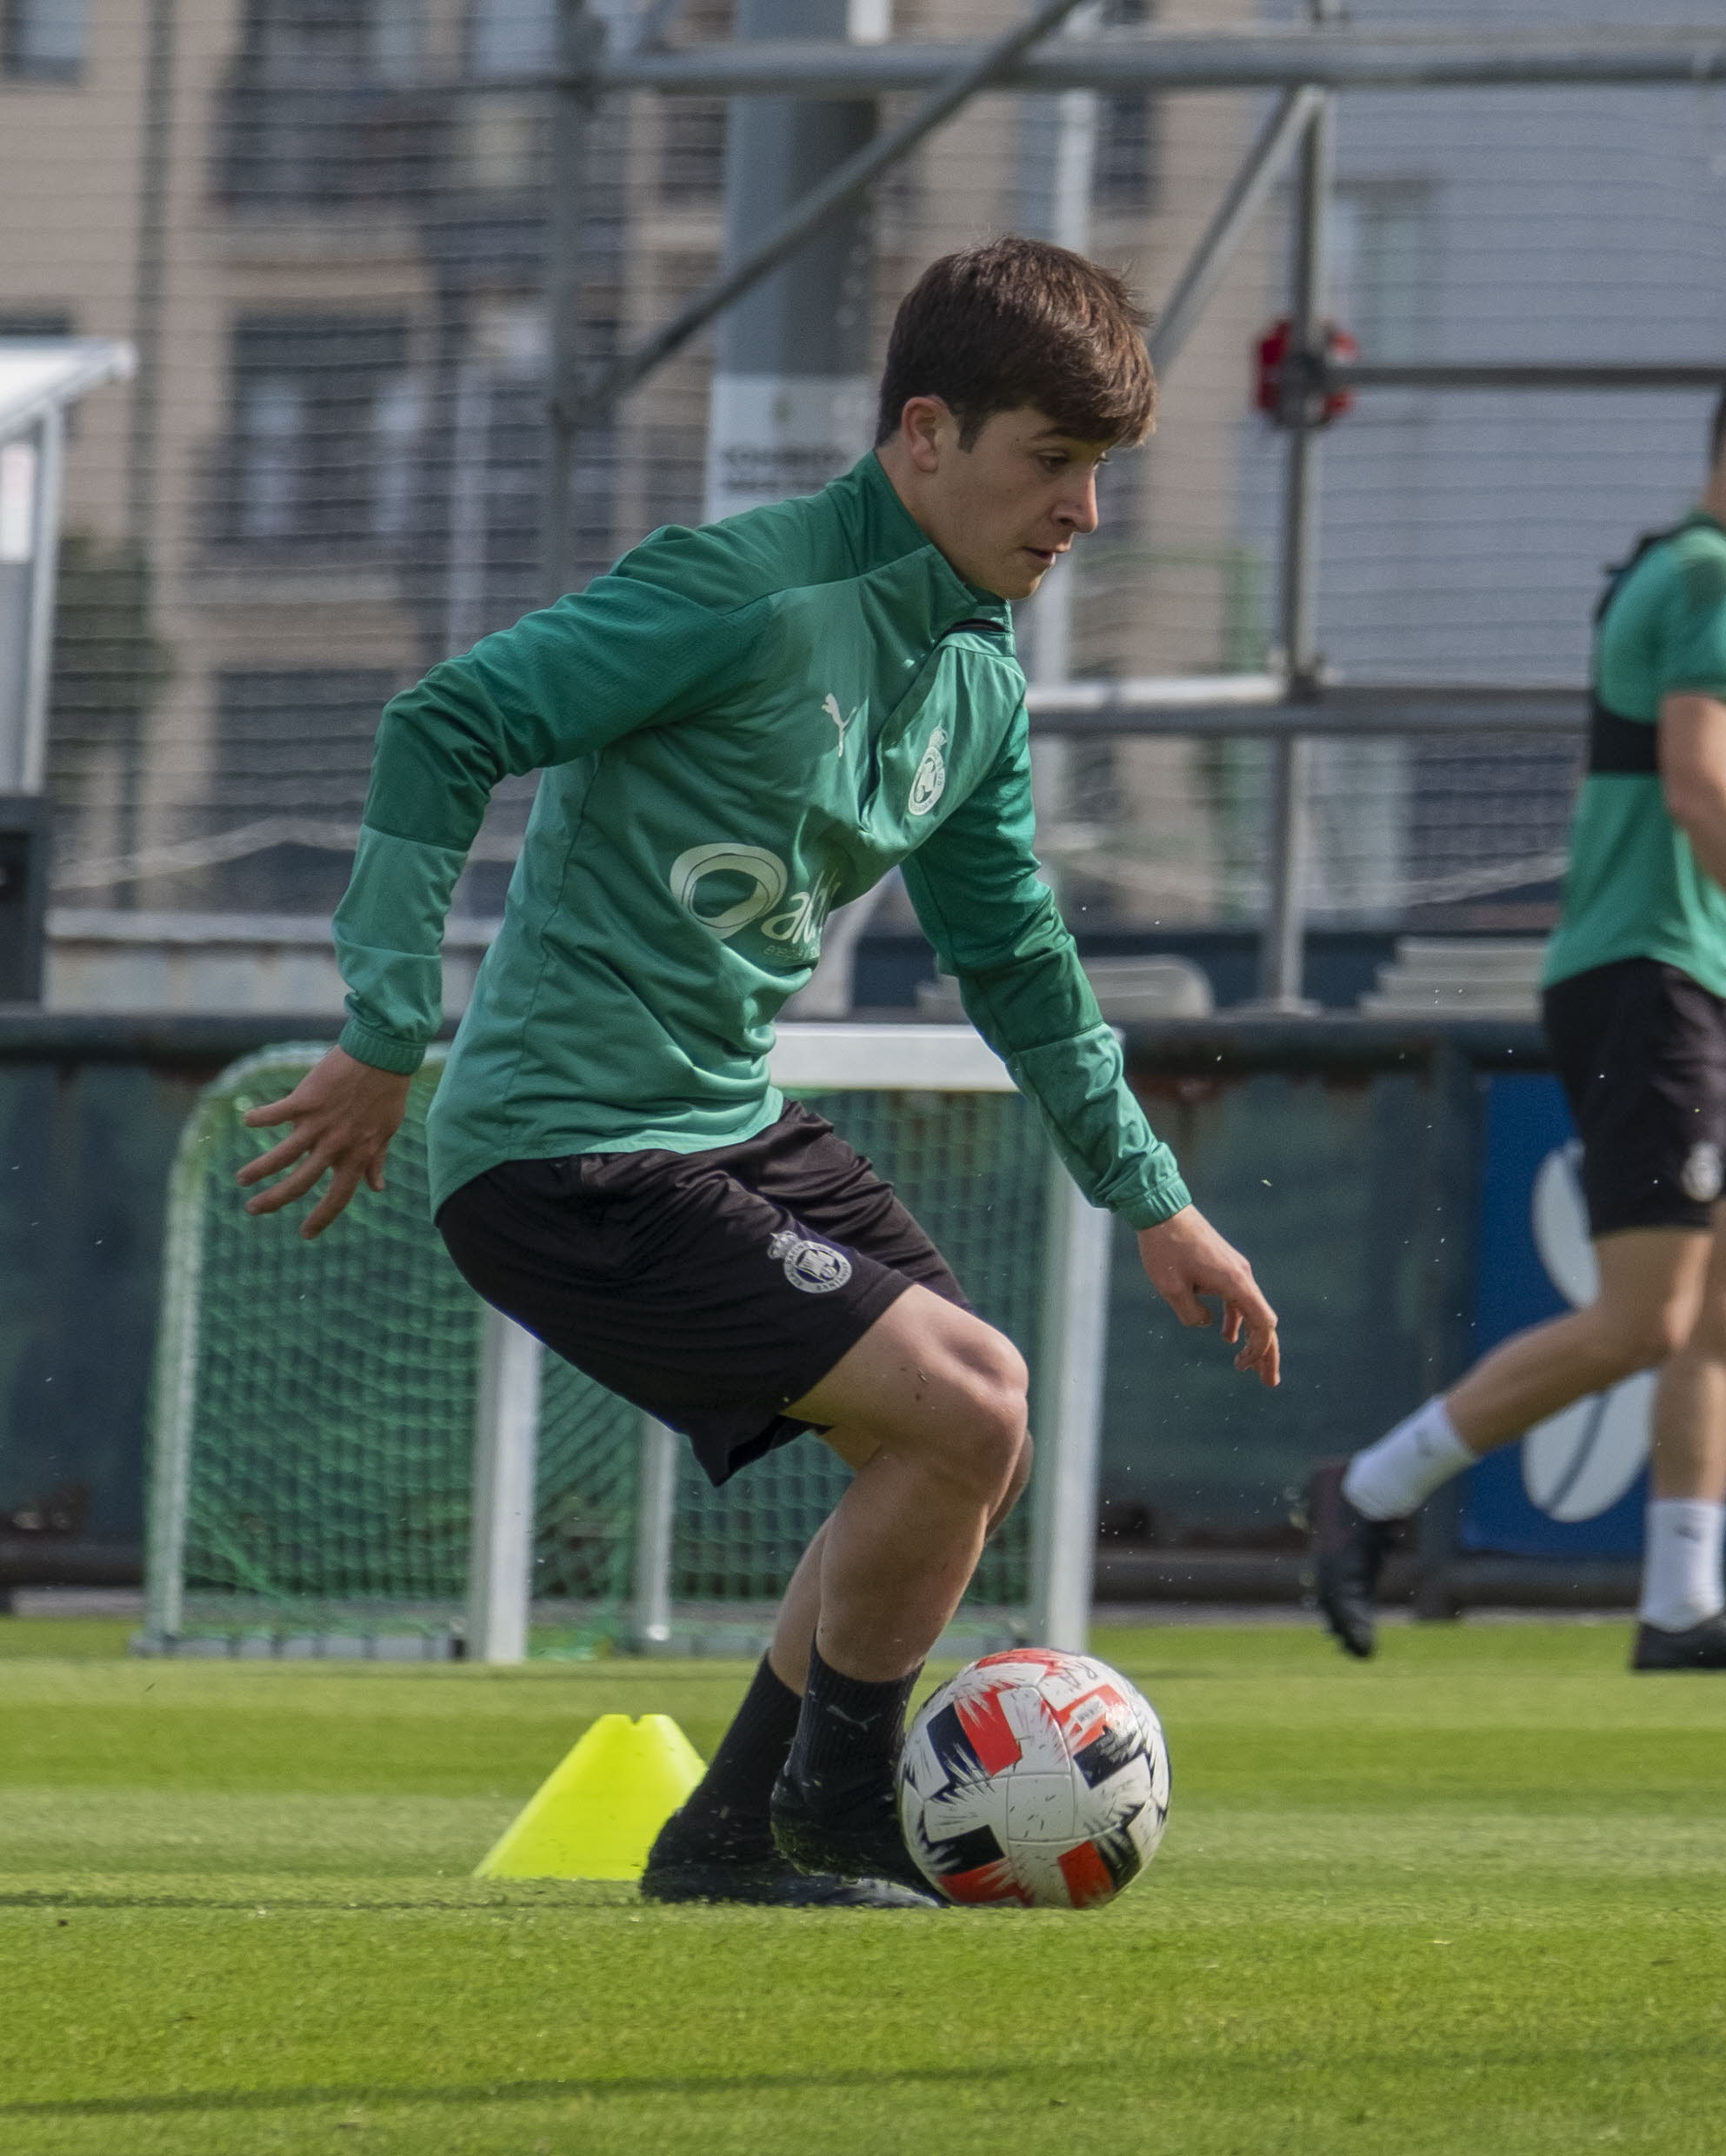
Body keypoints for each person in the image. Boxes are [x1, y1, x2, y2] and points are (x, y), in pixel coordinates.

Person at [233, 239, 1280, 1910]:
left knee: (960, 1434)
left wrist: (1156, 1205)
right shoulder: (743, 590)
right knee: (960, 1409)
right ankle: (831, 1814)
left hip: (717, 1125)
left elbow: (1016, 964)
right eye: (1056, 465)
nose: (1083, 516)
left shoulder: (978, 680)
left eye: (1102, 477)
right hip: (562, 1155)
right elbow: (443, 722)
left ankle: (730, 1833)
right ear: (925, 434)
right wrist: (382, 1029)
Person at [1309, 348, 1726, 1673]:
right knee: (1644, 1320)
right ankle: (1370, 1492)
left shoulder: (1661, 568)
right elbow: (1695, 784)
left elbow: (1650, 778)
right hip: (1650, 979)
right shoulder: (1721, 584)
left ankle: (1680, 1601)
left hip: (1667, 972)